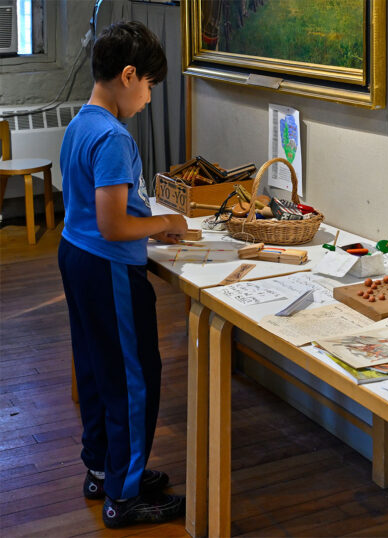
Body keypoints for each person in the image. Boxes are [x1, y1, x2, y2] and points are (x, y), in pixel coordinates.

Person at [58, 20, 188, 529]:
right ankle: (125, 495)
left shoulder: (79, 124)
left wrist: (146, 227)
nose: (150, 98)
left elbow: (93, 214)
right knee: (134, 381)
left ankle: (103, 469)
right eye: (150, 86)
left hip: (77, 257)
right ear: (129, 75)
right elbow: (114, 225)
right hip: (109, 270)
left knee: (95, 370)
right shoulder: (114, 138)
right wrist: (165, 223)